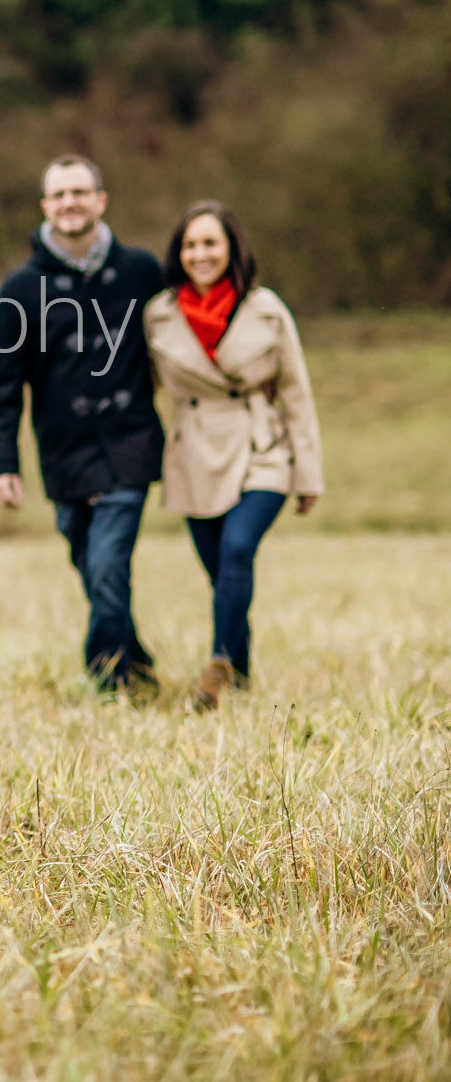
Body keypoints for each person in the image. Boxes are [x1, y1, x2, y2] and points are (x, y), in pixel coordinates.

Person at [0, 155, 168, 696]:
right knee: (89, 563)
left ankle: (108, 675)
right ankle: (135, 655)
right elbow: (2, 386)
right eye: (59, 194)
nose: (70, 202)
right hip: (63, 453)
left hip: (129, 443)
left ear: (100, 200)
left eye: (80, 192)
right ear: (46, 207)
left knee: (108, 562)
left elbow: (175, 343)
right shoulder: (20, 288)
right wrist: (1, 464)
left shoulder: (140, 271)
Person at [144, 201, 323, 711]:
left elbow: (296, 393)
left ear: (231, 249)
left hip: (261, 446)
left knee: (237, 550)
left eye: (210, 243)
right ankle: (240, 668)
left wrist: (308, 474)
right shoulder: (158, 316)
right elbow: (142, 389)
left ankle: (218, 666)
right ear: (179, 253)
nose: (200, 254)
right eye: (191, 245)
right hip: (195, 451)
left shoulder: (267, 309)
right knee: (220, 572)